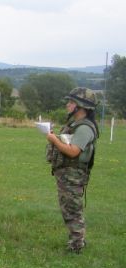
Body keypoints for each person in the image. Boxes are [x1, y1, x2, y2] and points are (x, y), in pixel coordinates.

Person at [45, 87, 99, 253]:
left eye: (71, 102)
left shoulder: (84, 128)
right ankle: (77, 241)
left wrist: (54, 140)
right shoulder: (74, 124)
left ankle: (76, 245)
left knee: (72, 210)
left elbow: (73, 151)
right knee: (68, 208)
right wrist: (55, 136)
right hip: (67, 175)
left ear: (81, 106)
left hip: (73, 176)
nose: (67, 105)